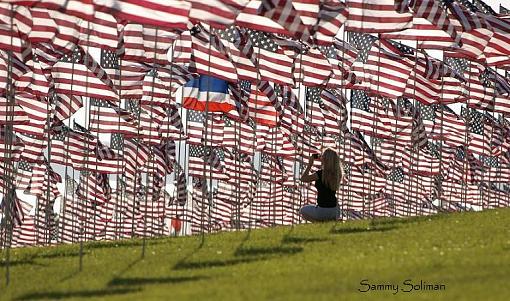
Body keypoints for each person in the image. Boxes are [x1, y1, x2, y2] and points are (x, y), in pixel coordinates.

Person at [299, 149, 344, 222]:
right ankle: (330, 221)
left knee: (302, 210)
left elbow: (303, 179)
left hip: (322, 210)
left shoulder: (320, 174)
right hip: (335, 210)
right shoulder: (338, 174)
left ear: (326, 159)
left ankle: (319, 223)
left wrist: (310, 164)